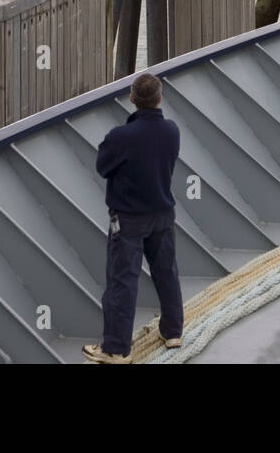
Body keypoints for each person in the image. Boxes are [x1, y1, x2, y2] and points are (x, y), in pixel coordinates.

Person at [83, 73, 183, 364]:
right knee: (166, 272)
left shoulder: (120, 137)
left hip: (128, 219)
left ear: (132, 98)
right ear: (160, 98)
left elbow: (103, 167)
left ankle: (115, 349)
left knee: (122, 280)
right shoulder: (172, 131)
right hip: (163, 214)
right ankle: (173, 331)